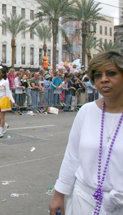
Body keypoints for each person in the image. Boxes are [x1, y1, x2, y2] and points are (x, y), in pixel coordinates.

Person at [49, 51, 123, 215]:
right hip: (84, 201)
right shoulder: (86, 111)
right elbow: (72, 156)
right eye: (97, 75)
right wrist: (59, 195)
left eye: (111, 73)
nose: (104, 79)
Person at [0, 66, 20, 139]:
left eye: (0, 73)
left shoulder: (5, 82)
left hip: (4, 100)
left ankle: (0, 131)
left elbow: (9, 93)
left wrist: (14, 102)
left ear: (3, 74)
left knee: (2, 116)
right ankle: (4, 125)